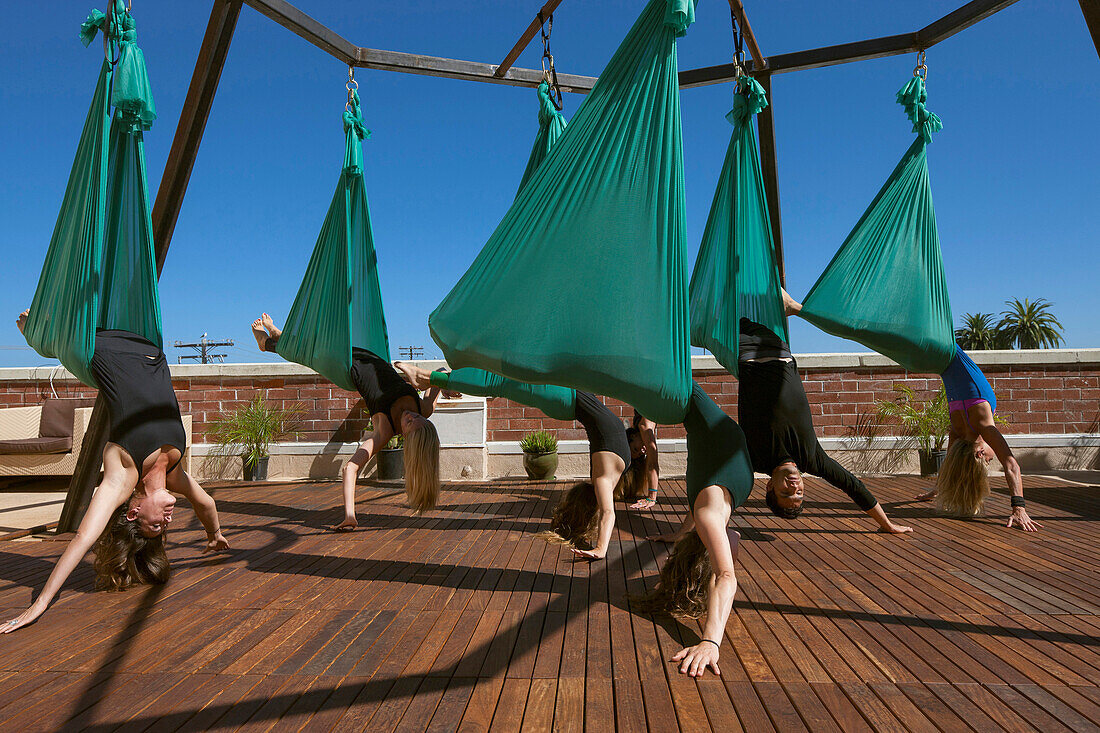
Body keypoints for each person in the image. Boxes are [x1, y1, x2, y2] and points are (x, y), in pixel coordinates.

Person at [3, 312, 228, 634]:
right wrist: (213, 535)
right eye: (164, 527)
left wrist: (38, 605)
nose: (167, 521)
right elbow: (206, 504)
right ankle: (39, 335)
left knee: (50, 347)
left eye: (155, 524)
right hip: (146, 345)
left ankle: (35, 335)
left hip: (101, 348)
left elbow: (83, 538)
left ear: (134, 511)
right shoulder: (175, 475)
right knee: (60, 342)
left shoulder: (122, 476)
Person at [393, 363, 628, 561]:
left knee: (502, 381)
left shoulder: (613, 472)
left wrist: (601, 548)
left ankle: (429, 377)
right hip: (570, 397)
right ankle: (446, 380)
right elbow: (607, 511)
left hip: (570, 398)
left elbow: (608, 512)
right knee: (504, 379)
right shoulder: (605, 477)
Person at [740, 292, 912, 533]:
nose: (794, 485)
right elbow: (853, 486)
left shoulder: (752, 459)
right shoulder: (813, 459)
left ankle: (790, 304)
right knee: (765, 284)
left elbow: (717, 486)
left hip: (744, 347)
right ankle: (793, 306)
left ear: (769, 487)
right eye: (799, 492)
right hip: (778, 347)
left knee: (710, 309)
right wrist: (887, 524)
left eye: (786, 492)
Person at [252, 314, 441, 522]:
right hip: (368, 354)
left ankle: (268, 343)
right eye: (415, 416)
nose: (410, 415)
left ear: (406, 436)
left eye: (409, 422)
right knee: (312, 345)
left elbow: (350, 468)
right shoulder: (424, 409)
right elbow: (440, 372)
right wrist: (446, 387)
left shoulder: (384, 430)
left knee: (312, 348)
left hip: (345, 365)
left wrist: (350, 515)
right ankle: (278, 336)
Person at [638, 382, 752, 677]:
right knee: (668, 383)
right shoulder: (705, 514)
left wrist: (710, 640)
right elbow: (725, 572)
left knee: (663, 382)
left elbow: (725, 568)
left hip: (726, 449)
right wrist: (710, 640)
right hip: (717, 440)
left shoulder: (707, 515)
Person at [914, 346, 1039, 530]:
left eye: (988, 461)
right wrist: (938, 489)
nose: (991, 458)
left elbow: (1011, 465)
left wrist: (1018, 507)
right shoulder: (957, 432)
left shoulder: (983, 426)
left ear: (980, 453)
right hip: (942, 363)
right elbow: (950, 464)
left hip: (953, 353)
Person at [623, 410, 661, 509]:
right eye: (640, 454)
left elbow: (652, 464)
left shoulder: (643, 426)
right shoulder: (642, 424)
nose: (642, 451)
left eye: (635, 449)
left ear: (632, 436)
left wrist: (652, 497)